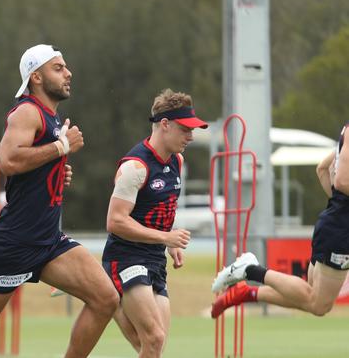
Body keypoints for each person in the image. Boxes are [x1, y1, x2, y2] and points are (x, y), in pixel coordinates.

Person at [0, 44, 119, 358]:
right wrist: (61, 148)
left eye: (66, 67)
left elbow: (14, 158)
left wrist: (55, 172)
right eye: (59, 68)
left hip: (48, 241)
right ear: (36, 77)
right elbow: (8, 161)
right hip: (15, 243)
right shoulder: (28, 110)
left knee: (106, 298)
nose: (68, 73)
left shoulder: (53, 118)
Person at [102, 89, 208, 358]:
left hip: (155, 260)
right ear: (165, 125)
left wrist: (169, 239)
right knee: (155, 338)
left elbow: (159, 212)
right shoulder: (135, 167)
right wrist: (165, 238)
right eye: (185, 129)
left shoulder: (177, 161)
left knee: (151, 346)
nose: (191, 136)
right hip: (126, 258)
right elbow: (115, 221)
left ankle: (107, 301)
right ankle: (107, 298)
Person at [211, 122, 349, 319]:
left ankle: (246, 292)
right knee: (318, 305)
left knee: (309, 296)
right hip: (340, 230)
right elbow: (342, 181)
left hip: (336, 224)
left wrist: (339, 208)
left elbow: (323, 169)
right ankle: (250, 270)